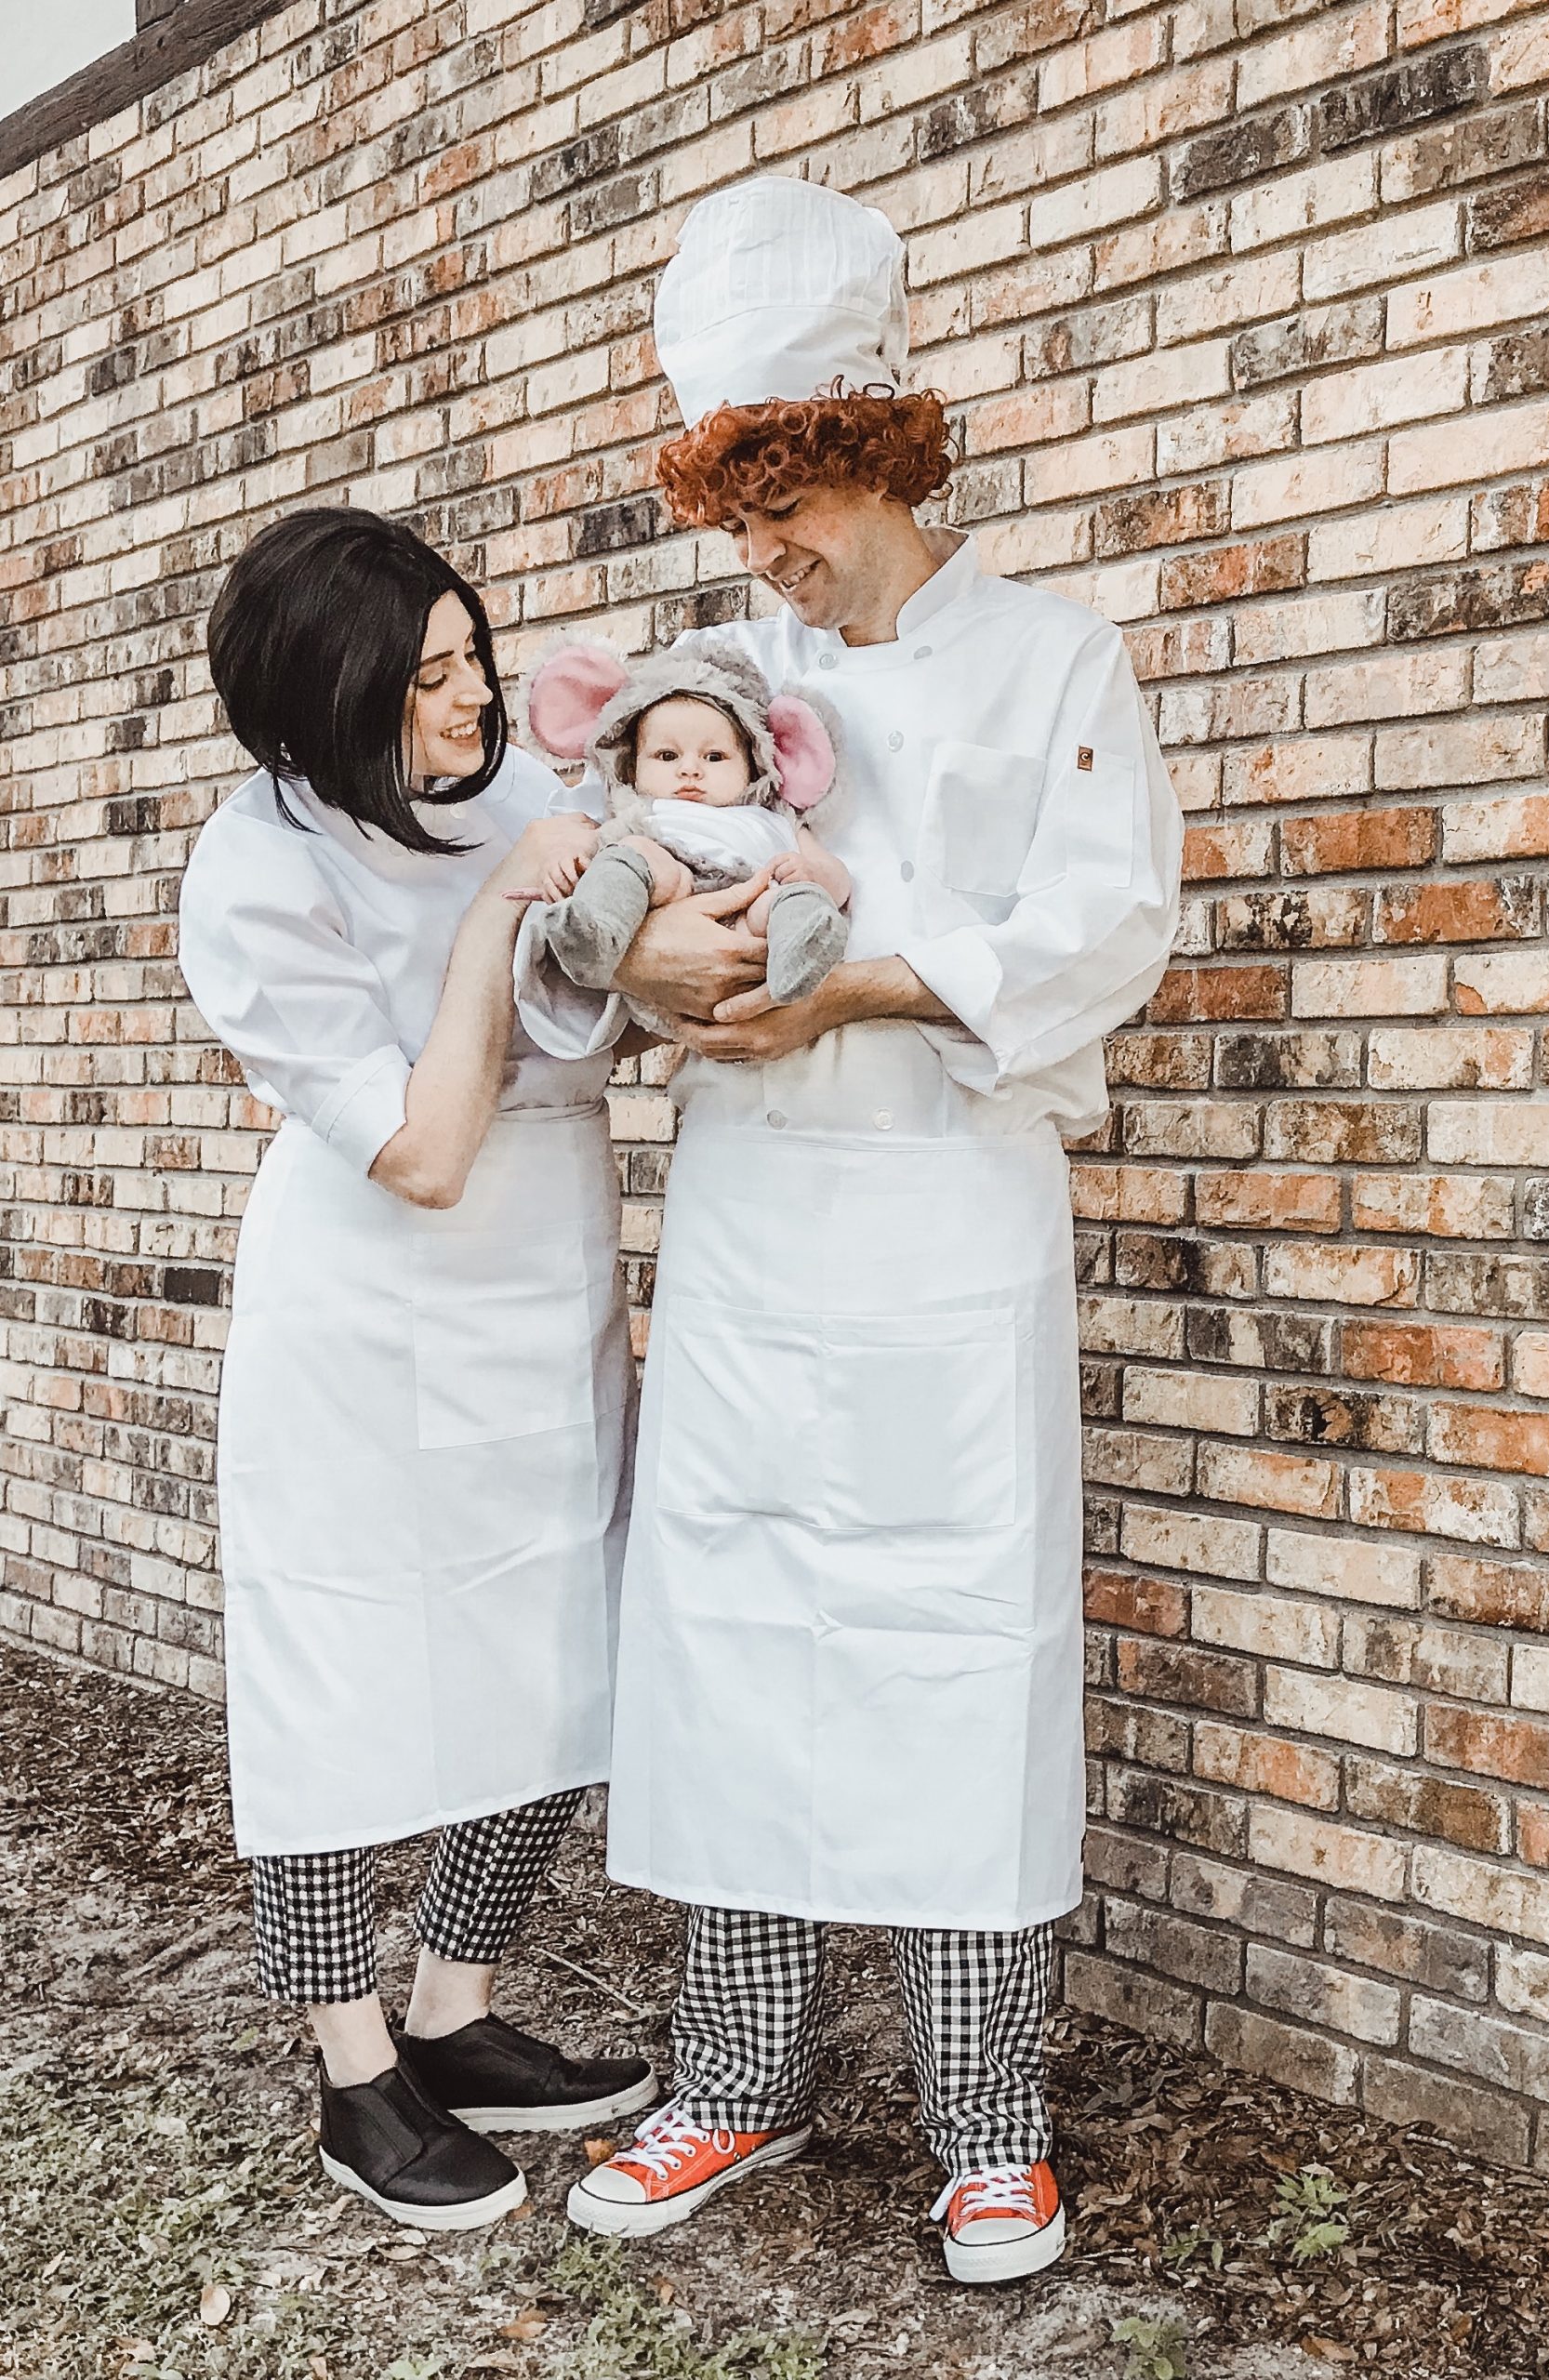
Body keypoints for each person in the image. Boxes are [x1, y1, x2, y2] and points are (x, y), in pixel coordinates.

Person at [517, 178, 1182, 2281]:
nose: (762, 548)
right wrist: (659, 973)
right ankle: (730, 2076)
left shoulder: (1052, 653)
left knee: (958, 1648)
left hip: (946, 1211)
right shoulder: (727, 672)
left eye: (787, 496)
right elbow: (632, 899)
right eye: (736, 504)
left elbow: (1106, 923)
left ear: (881, 454)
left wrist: (869, 978)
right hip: (748, 1228)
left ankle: (991, 2123)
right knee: (730, 1634)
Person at [177, 509, 655, 2230]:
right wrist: (482, 945)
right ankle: (355, 2068)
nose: (475, 702)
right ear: (326, 710)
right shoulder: (255, 878)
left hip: (542, 1279)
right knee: (336, 1684)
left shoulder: (517, 786)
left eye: (474, 658)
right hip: (373, 1288)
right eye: (429, 681)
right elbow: (427, 1147)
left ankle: (454, 2011)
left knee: (559, 1644)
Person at [513, 632, 850, 1007]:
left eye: (715, 757)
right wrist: (568, 871)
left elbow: (835, 875)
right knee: (631, 856)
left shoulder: (777, 819)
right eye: (667, 756)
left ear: (755, 765)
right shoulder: (642, 816)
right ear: (633, 768)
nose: (690, 770)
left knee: (784, 901)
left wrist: (810, 875)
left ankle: (802, 949)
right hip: (673, 894)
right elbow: (589, 859)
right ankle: (595, 932)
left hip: (750, 924)